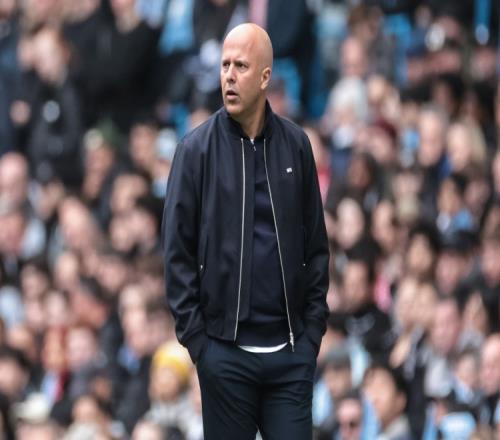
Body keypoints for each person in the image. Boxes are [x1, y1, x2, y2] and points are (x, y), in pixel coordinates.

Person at [162, 23, 329, 439]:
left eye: (241, 66)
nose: (229, 76)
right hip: (224, 356)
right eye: (224, 66)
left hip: (290, 356)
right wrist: (200, 345)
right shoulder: (195, 151)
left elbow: (316, 247)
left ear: (265, 77)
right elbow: (176, 253)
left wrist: (310, 336)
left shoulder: (296, 145)